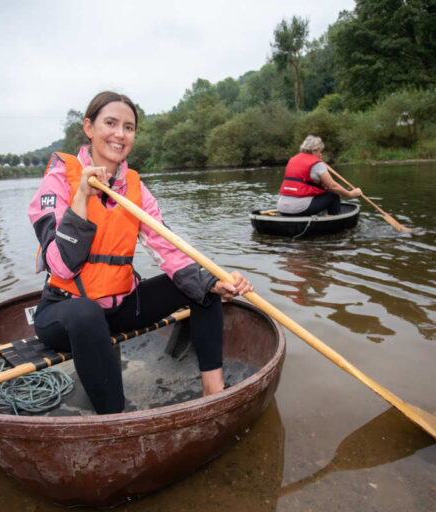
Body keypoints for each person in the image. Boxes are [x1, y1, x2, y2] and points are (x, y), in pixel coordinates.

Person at [28, 91, 253, 415]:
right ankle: (116, 420)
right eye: (111, 123)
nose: (120, 134)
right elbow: (62, 267)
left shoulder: (134, 187)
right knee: (85, 313)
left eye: (129, 127)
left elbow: (168, 249)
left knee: (200, 284)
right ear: (89, 128)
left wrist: (216, 280)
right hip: (65, 313)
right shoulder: (58, 179)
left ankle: (212, 391)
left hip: (120, 305)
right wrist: (81, 200)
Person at [277, 135, 361, 216]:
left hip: (282, 207)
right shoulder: (317, 164)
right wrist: (350, 194)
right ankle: (332, 220)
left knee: (323, 191)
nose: (321, 155)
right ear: (314, 150)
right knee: (333, 194)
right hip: (299, 209)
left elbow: (307, 182)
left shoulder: (292, 160)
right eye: (320, 151)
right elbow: (333, 186)